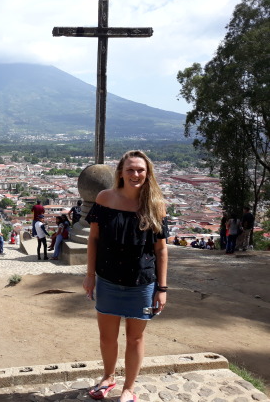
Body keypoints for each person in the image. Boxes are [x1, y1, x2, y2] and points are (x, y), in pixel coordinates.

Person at [83, 150, 168, 402]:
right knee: (107, 337)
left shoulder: (156, 205)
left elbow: (161, 250)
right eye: (130, 169)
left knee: (136, 338)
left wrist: (162, 289)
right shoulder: (105, 198)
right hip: (107, 279)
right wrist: (90, 275)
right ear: (120, 172)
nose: (135, 174)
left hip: (142, 283)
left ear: (148, 173)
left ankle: (129, 389)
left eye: (140, 170)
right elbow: (94, 239)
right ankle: (108, 377)